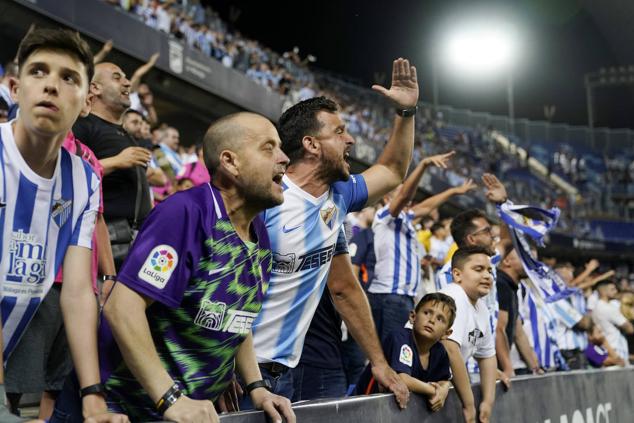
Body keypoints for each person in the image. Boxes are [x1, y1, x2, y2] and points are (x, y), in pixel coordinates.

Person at [99, 112, 295, 422]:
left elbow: (235, 317)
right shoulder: (185, 213)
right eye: (268, 148)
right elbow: (122, 308)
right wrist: (171, 398)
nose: (284, 159)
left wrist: (256, 386)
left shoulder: (258, 231)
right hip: (128, 409)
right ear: (230, 162)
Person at [250, 58, 419, 408]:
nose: (351, 140)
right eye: (340, 132)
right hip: (243, 369)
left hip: (285, 371)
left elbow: (391, 169)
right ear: (311, 144)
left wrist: (406, 113)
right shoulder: (263, 199)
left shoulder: (337, 196)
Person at [0, 28, 127, 423]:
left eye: (68, 77)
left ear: (86, 102)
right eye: (39, 72)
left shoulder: (85, 179)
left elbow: (75, 291)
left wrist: (92, 394)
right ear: (15, 88)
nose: (51, 86)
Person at [73, 62, 153, 270]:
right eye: (117, 77)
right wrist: (118, 161)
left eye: (126, 77)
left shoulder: (126, 134)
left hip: (137, 238)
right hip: (105, 237)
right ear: (95, 88)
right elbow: (69, 173)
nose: (127, 83)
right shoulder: (83, 125)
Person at [355, 293, 455, 413]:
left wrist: (443, 390)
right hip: (363, 407)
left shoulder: (440, 351)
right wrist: (434, 391)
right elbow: (402, 379)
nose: (431, 320)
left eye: (440, 319)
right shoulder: (400, 338)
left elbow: (445, 380)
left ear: (446, 333)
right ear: (413, 316)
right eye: (427, 313)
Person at [440, 246, 498, 423]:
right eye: (478, 269)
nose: (487, 275)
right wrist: (469, 404)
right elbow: (450, 350)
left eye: (489, 270)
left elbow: (487, 356)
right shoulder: (453, 295)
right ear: (457, 275)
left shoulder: (481, 308)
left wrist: (488, 402)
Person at [495, 249, 542, 379]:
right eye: (524, 258)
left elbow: (518, 332)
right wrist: (508, 368)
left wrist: (535, 368)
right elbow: (499, 329)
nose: (530, 263)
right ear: (507, 261)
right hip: (493, 369)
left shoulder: (512, 287)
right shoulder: (501, 283)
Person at [592, 280, 634, 363]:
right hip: (615, 349)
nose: (616, 291)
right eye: (612, 289)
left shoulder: (597, 306)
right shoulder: (608, 309)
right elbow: (630, 329)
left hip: (606, 348)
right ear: (603, 292)